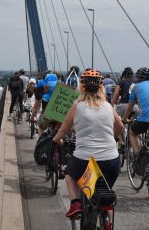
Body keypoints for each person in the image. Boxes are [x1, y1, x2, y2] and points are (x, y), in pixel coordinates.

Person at [53, 69, 123, 218]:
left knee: (69, 173)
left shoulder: (77, 106)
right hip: (111, 161)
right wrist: (114, 137)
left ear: (81, 86)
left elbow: (63, 131)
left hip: (84, 160)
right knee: (106, 193)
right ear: (101, 87)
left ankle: (75, 203)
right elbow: (120, 127)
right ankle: (107, 223)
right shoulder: (108, 107)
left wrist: (56, 140)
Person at [122, 67, 149, 171]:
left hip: (144, 120)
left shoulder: (136, 87)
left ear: (138, 78)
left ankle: (138, 157)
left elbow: (130, 106)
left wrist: (124, 119)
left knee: (132, 132)